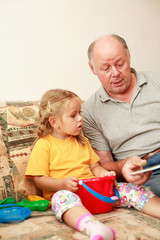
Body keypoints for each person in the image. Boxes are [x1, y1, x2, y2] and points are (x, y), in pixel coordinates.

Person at [25, 89, 160, 240]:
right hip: (70, 195)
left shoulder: (82, 141)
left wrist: (105, 175)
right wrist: (62, 184)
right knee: (61, 199)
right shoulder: (44, 145)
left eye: (80, 113)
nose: (80, 118)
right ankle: (93, 227)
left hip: (96, 193)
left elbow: (95, 167)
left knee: (131, 189)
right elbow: (39, 179)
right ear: (54, 122)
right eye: (73, 115)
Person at [81, 34, 160, 196]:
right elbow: (104, 165)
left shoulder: (157, 80)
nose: (115, 73)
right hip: (146, 172)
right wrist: (123, 167)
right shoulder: (90, 110)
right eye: (106, 68)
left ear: (129, 56)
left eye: (120, 64)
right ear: (92, 69)